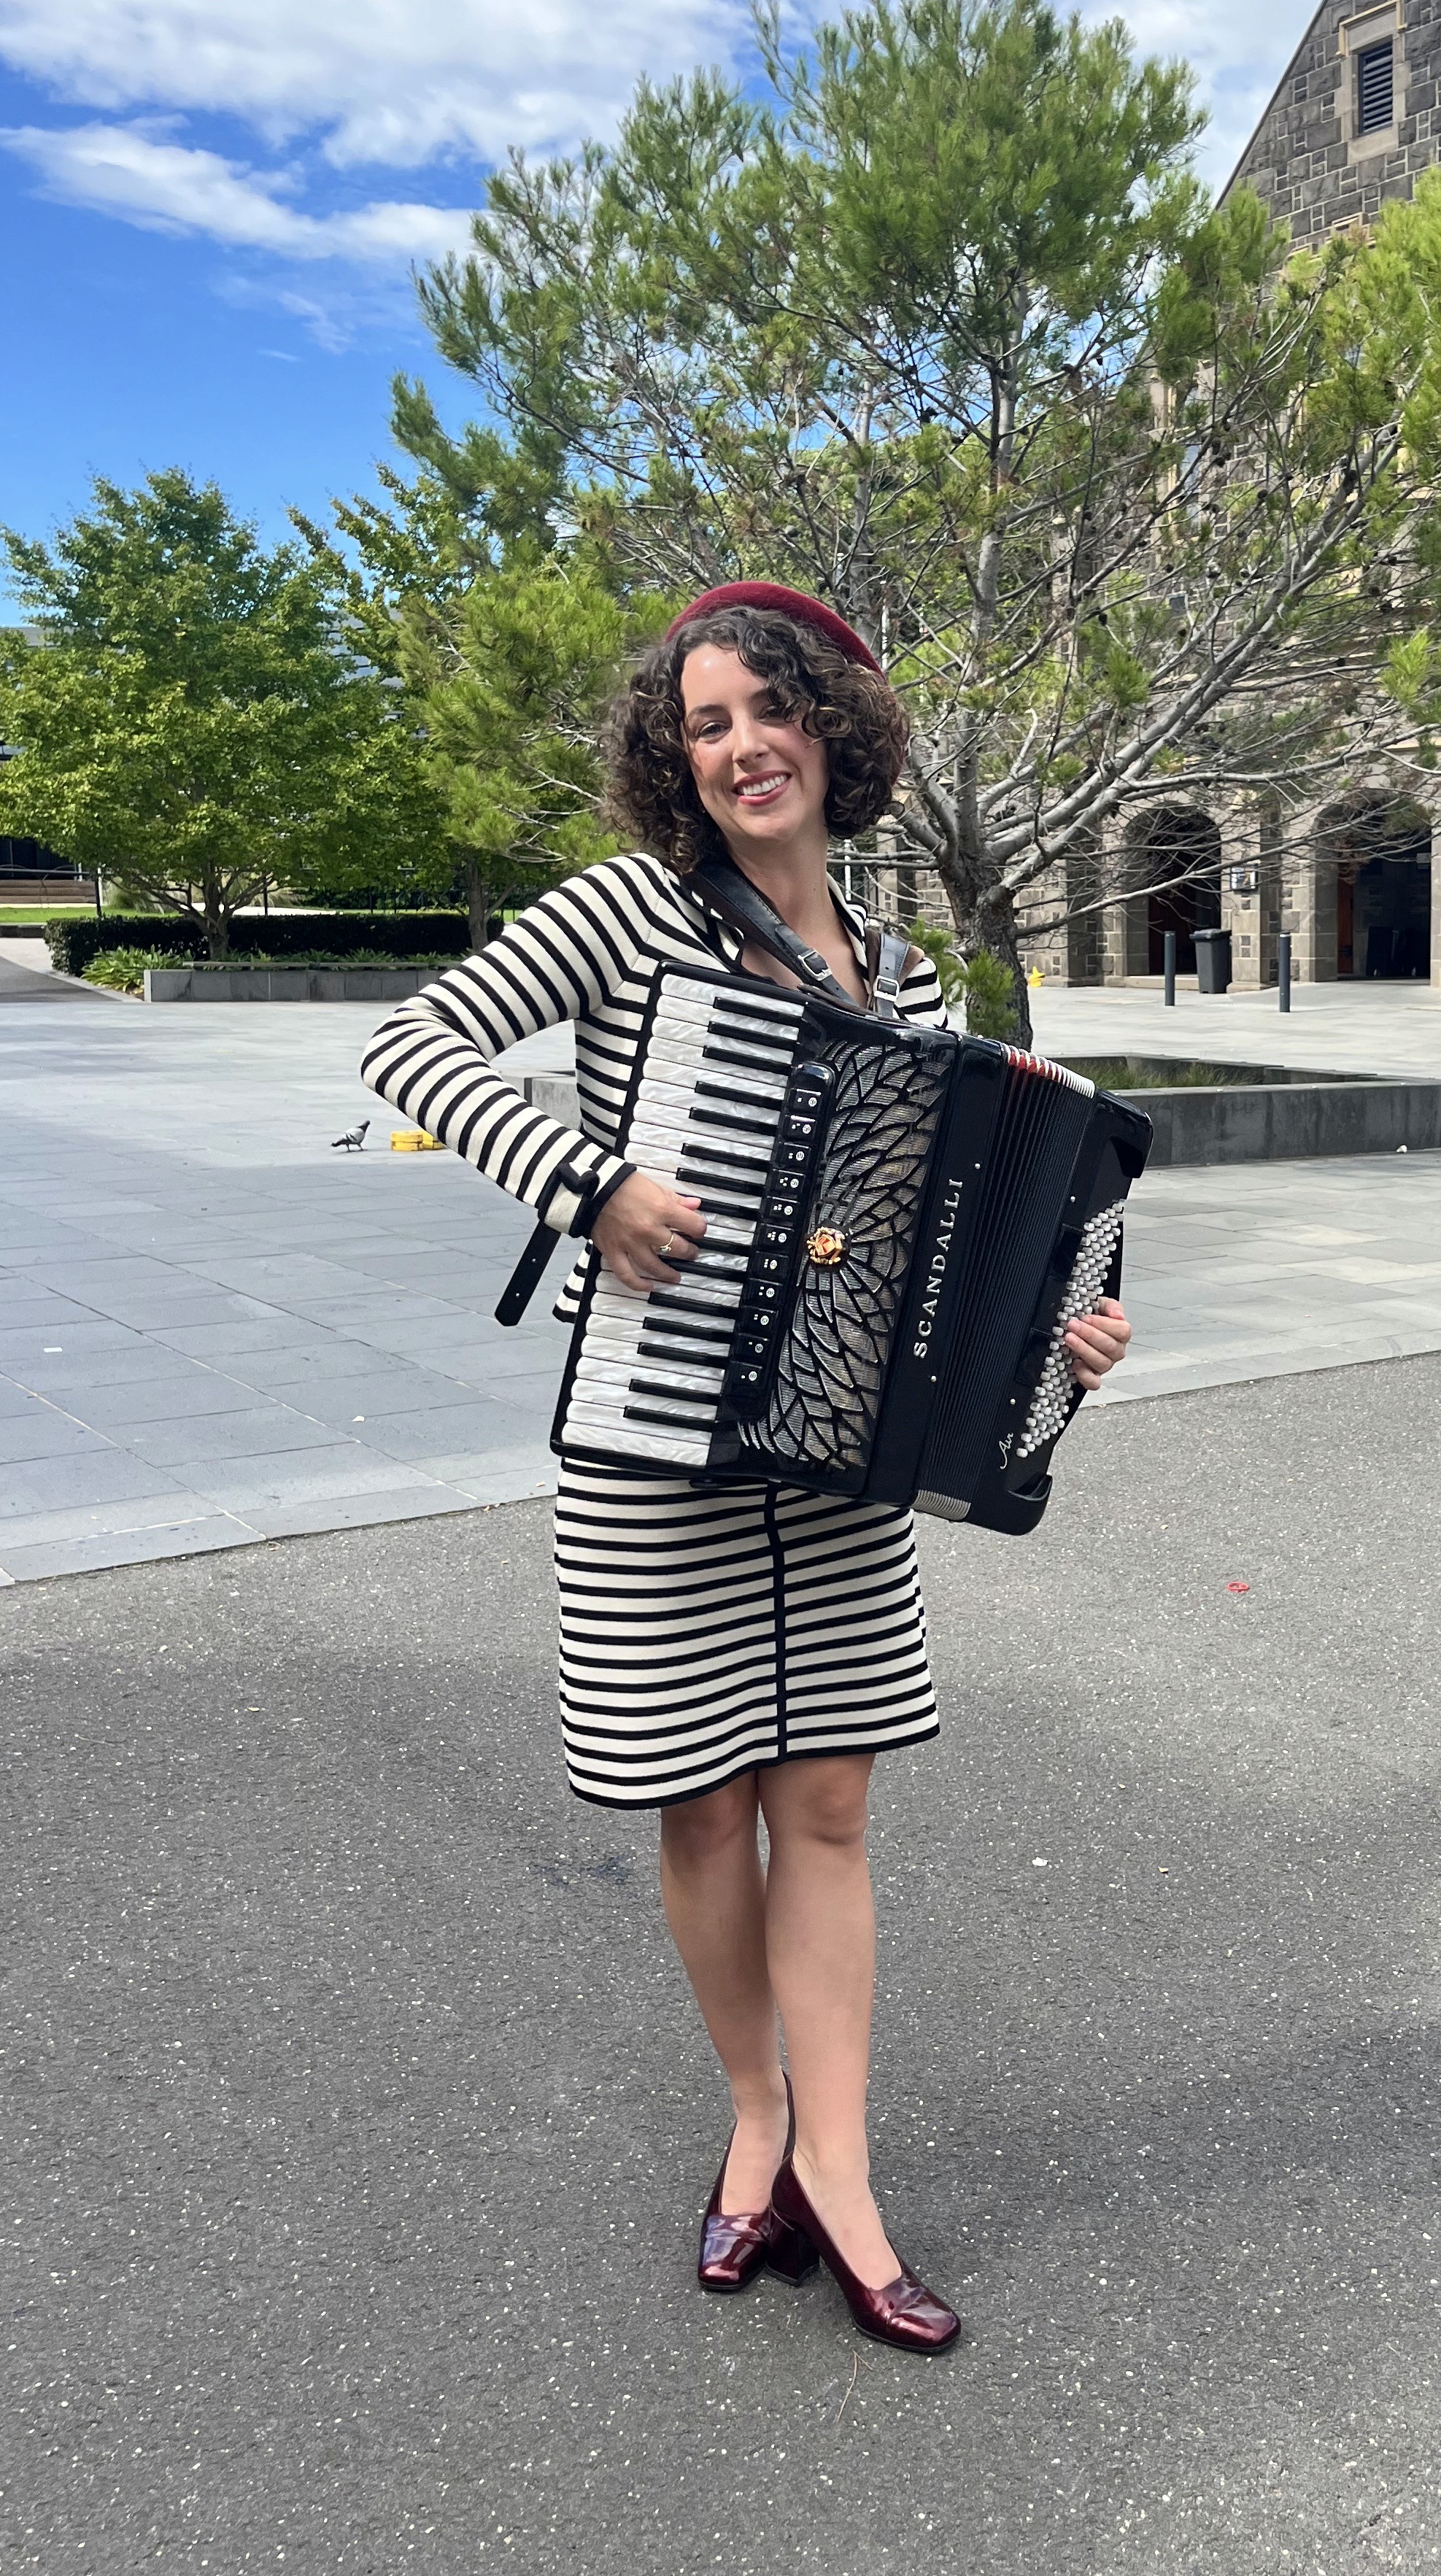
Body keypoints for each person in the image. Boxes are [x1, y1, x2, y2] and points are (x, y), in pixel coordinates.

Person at [361, 579, 1131, 2353]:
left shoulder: (912, 969)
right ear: (673, 758)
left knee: (833, 1809)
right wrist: (590, 1180)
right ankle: (758, 2121)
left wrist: (1056, 1337)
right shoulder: (634, 915)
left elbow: (947, 1245)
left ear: (834, 731)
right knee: (700, 1804)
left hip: (836, 1475)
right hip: (657, 1448)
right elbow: (411, 1043)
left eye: (766, 713)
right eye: (703, 725)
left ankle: (844, 2177)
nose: (738, 748)